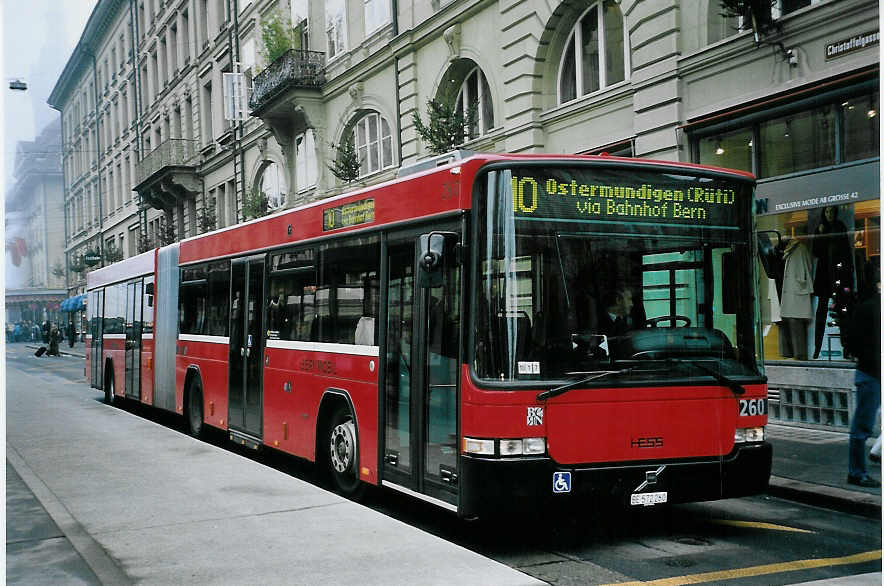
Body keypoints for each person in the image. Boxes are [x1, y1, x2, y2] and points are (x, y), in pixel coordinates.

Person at [842, 265, 881, 487]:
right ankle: (856, 473)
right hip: (871, 373)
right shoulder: (869, 309)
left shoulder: (871, 307)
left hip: (871, 372)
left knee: (863, 425)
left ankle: (858, 470)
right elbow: (855, 344)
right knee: (863, 425)